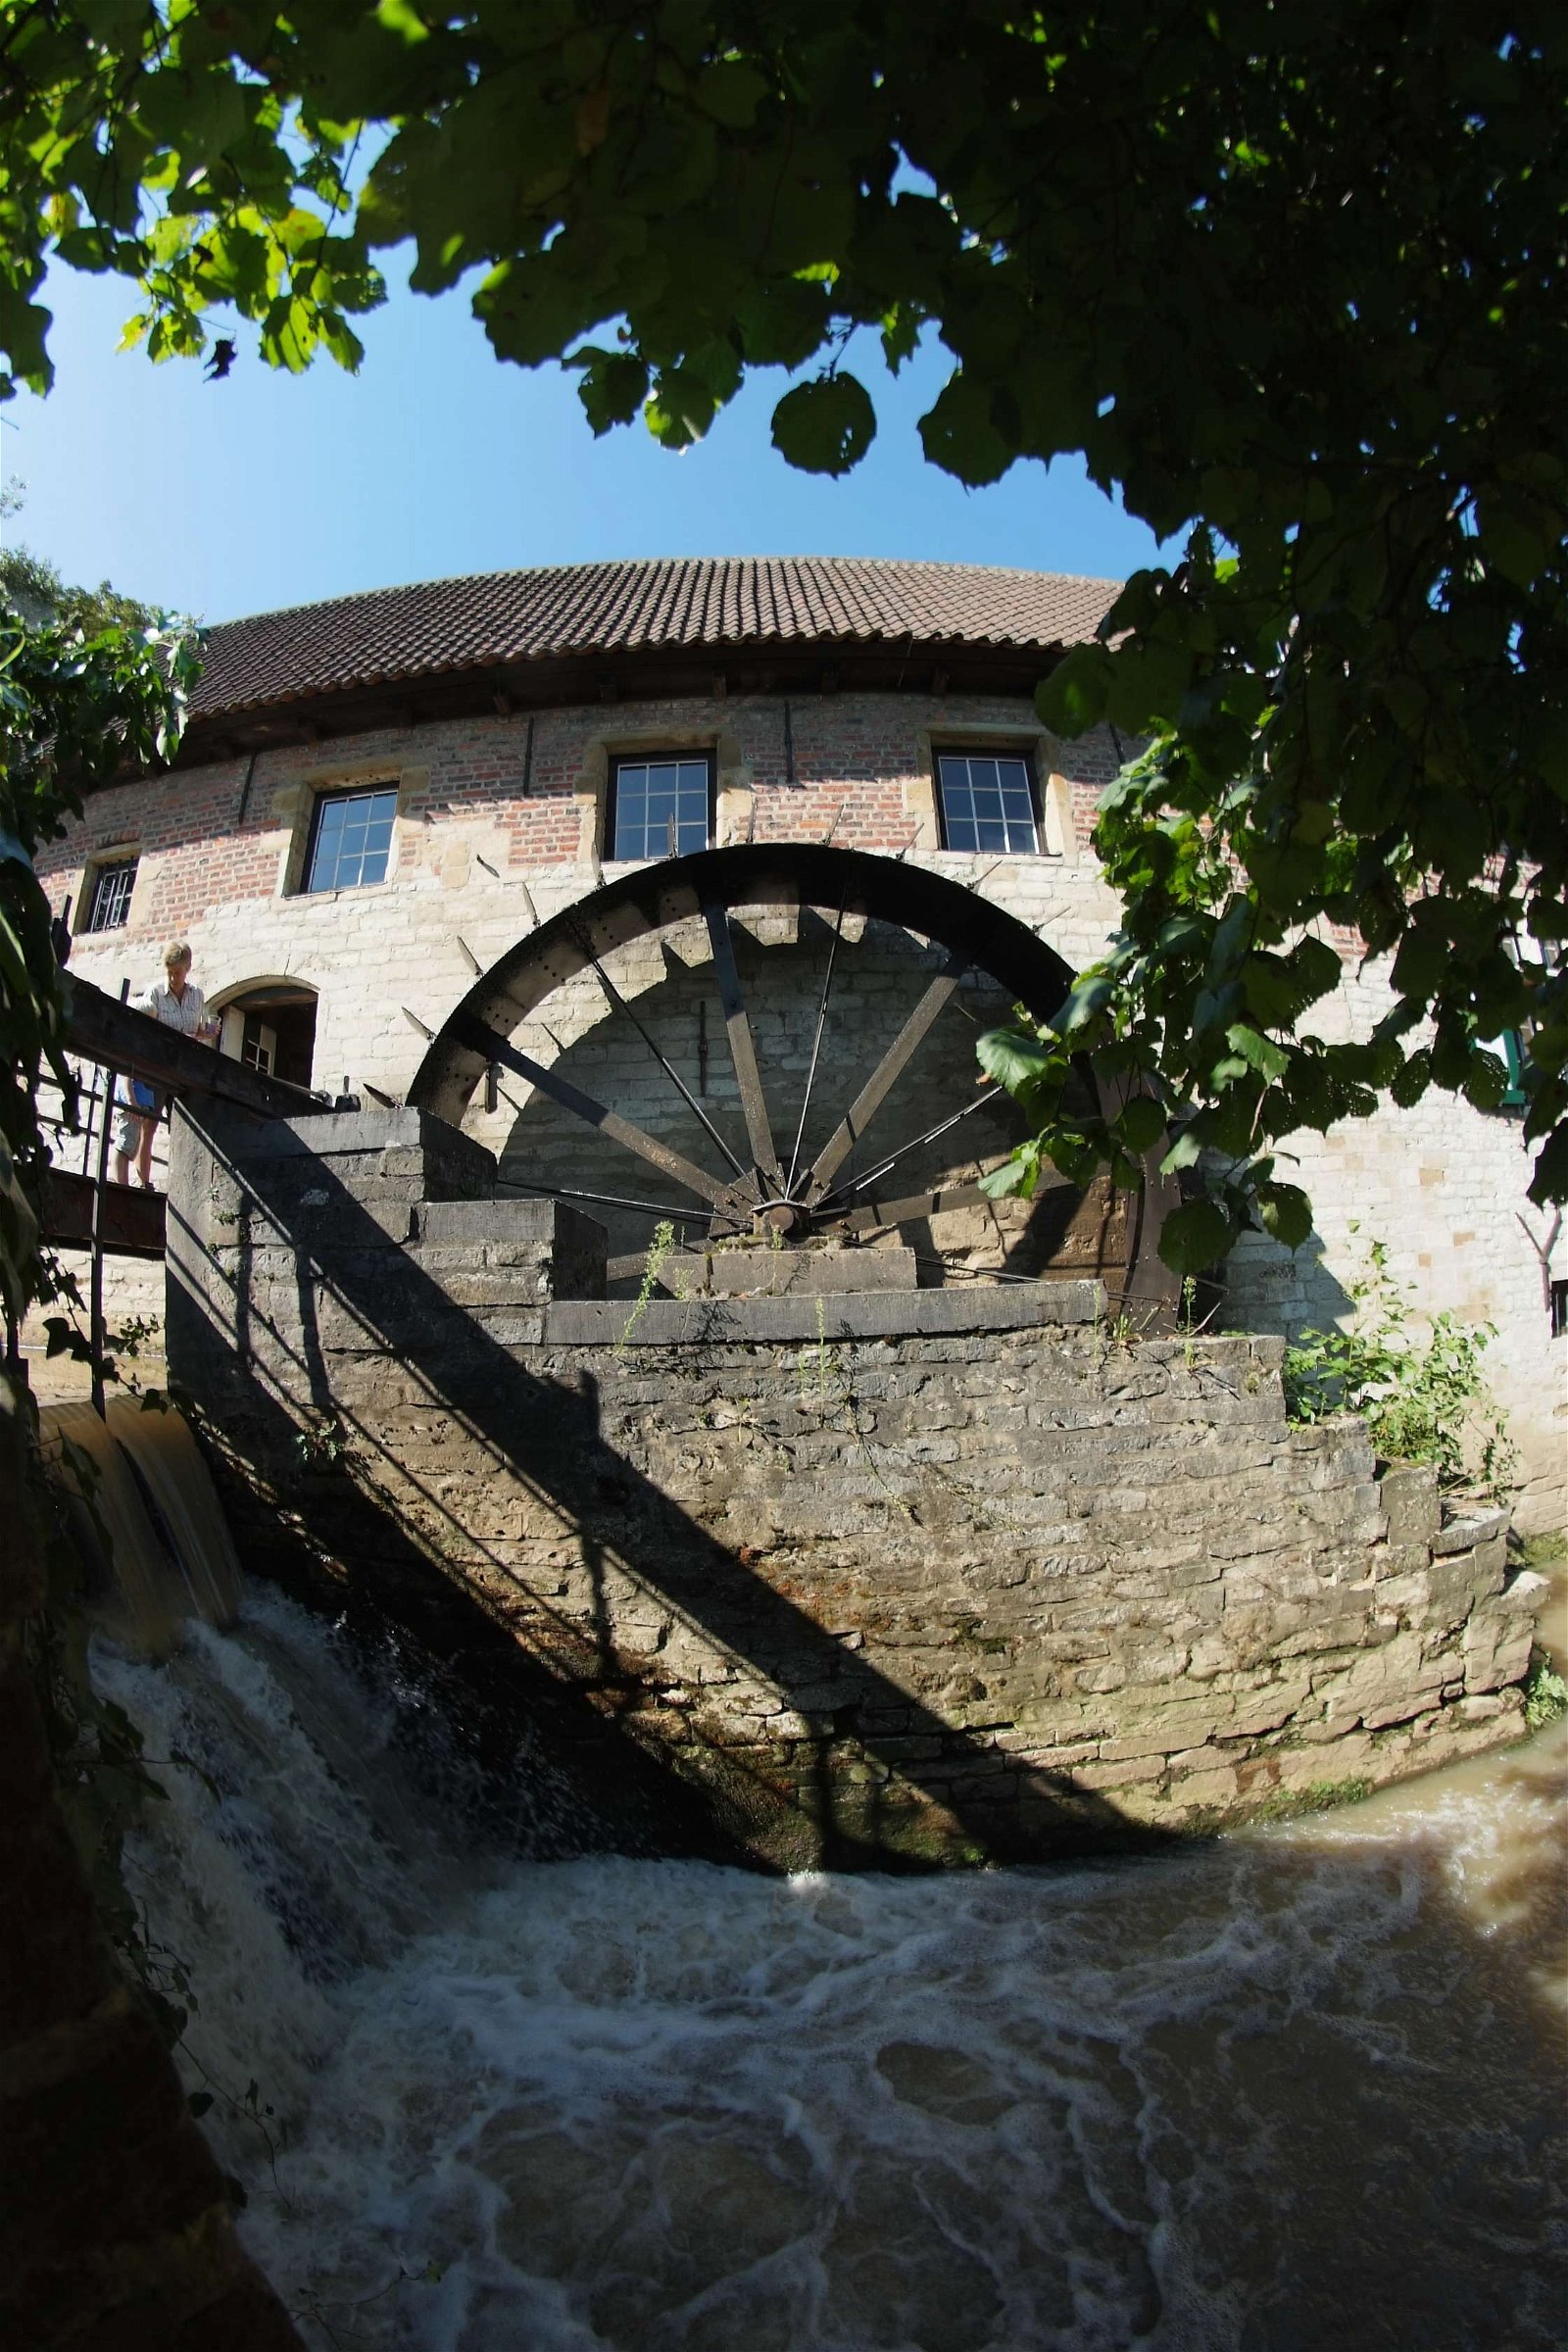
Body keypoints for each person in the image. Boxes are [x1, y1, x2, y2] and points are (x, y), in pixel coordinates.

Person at [113, 940, 220, 1188]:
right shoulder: (155, 994)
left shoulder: (197, 996)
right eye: (170, 972)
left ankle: (172, 1182)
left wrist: (208, 1031)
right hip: (157, 1067)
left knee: (179, 1126)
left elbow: (195, 1029)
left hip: (183, 1072)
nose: (173, 977)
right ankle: (142, 1181)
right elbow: (140, 1024)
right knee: (147, 1123)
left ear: (188, 968)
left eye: (178, 972)